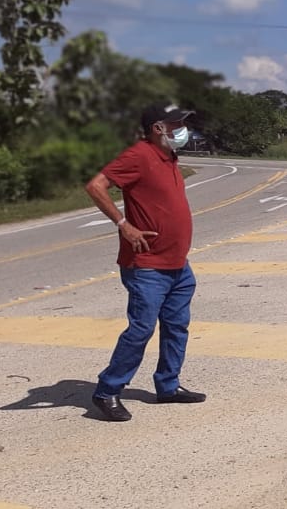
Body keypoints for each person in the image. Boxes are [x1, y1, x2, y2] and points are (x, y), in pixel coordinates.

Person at [83, 105, 206, 422]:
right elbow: (95, 185)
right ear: (157, 128)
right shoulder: (138, 154)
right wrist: (124, 224)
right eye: (175, 124)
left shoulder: (170, 158)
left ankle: (168, 386)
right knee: (141, 329)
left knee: (176, 327)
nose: (182, 129)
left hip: (178, 265)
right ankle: (107, 390)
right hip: (147, 266)